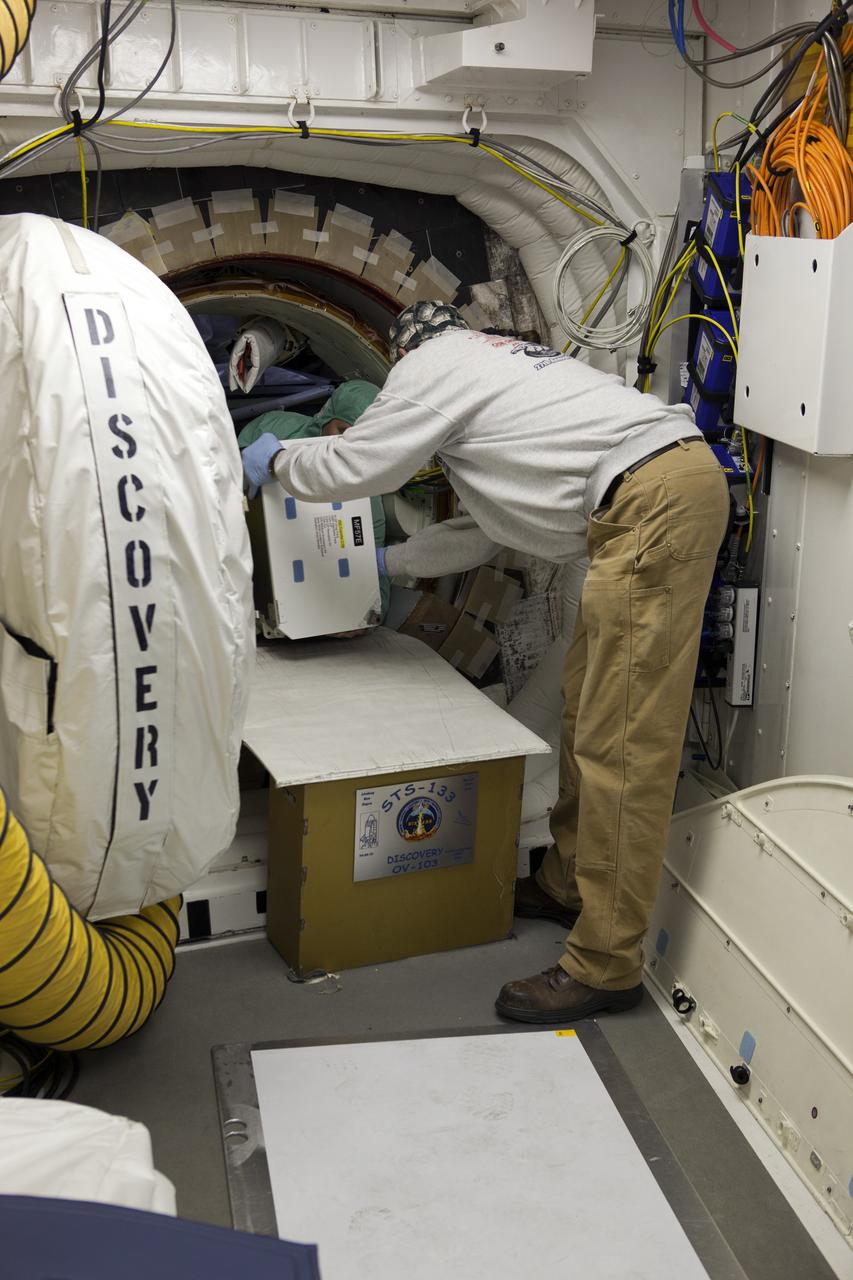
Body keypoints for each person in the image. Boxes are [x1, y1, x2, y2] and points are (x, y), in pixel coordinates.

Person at [242, 300, 730, 1024]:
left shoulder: (435, 365)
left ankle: (605, 964)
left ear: (405, 355)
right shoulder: (503, 368)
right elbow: (484, 530)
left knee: (621, 745)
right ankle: (566, 886)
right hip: (652, 497)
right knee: (585, 714)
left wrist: (276, 460)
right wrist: (388, 561)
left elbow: (359, 466)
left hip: (647, 508)